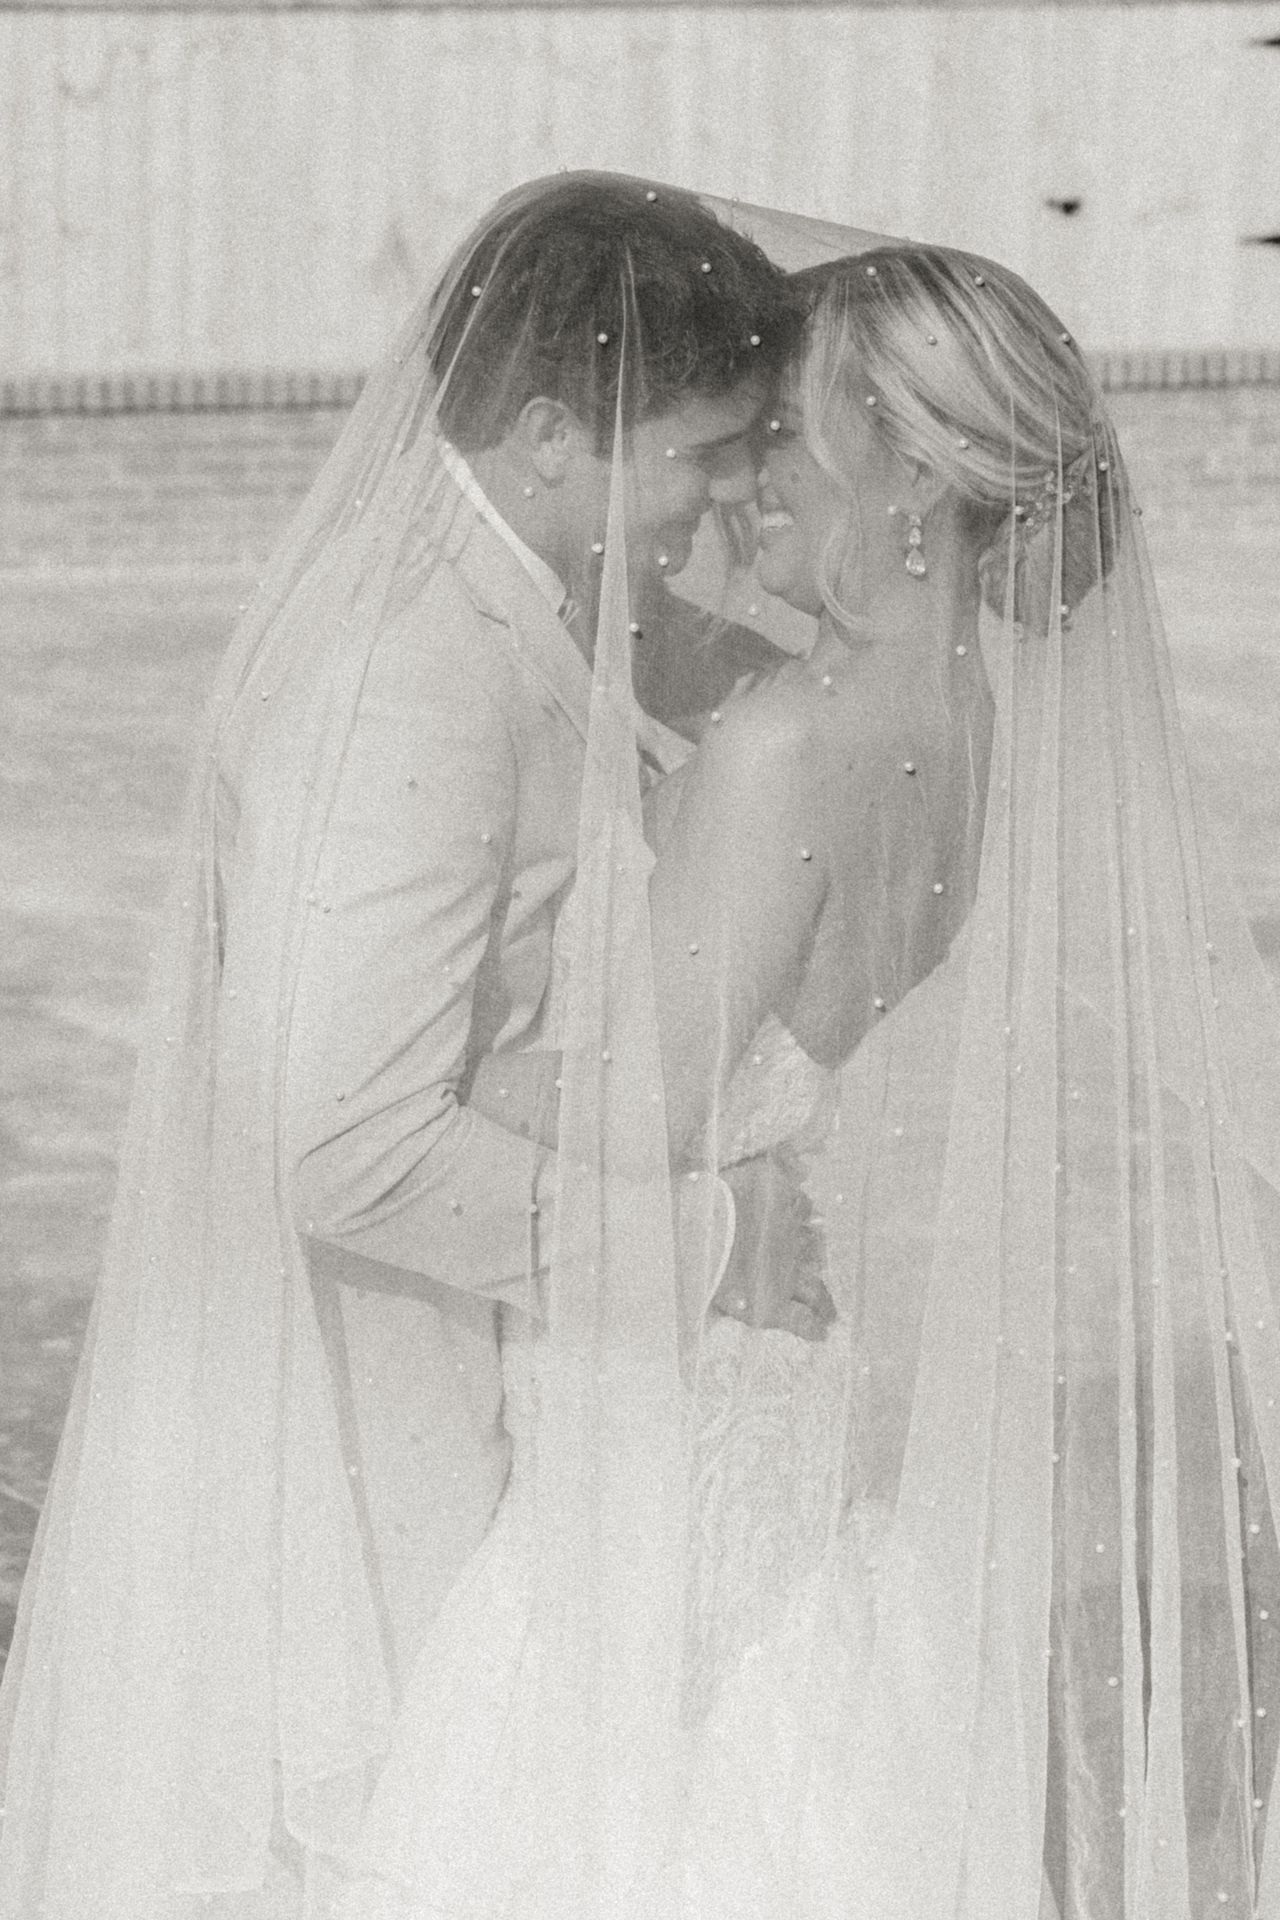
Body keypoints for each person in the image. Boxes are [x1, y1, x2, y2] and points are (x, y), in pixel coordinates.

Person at [342, 233, 1280, 1920]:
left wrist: (407, 1048)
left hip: (671, 1352)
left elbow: (635, 1116)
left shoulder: (784, 740)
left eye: (786, 433)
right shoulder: (966, 718)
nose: (744, 473)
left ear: (912, 474)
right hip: (773, 1371)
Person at [0, 175, 832, 1920]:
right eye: (698, 453)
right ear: (549, 434)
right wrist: (706, 1242)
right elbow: (342, 1141)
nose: (726, 497)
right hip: (373, 1411)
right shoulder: (411, 671)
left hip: (474, 1379)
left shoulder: (524, 591)